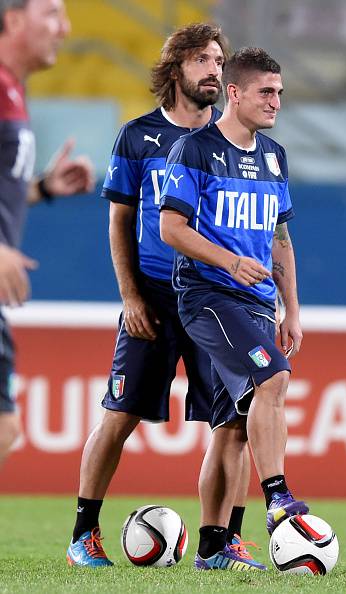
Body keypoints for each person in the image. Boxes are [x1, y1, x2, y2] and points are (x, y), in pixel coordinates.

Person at [66, 24, 264, 570]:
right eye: (202, 59)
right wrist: (130, 295)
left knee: (235, 424)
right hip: (153, 295)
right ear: (175, 67)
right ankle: (83, 536)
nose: (215, 70)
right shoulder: (137, 137)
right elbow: (120, 220)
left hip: (213, 295)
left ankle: (221, 544)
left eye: (220, 60)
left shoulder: (232, 142)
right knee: (120, 414)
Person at [160, 47, 309, 569]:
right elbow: (171, 229)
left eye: (280, 93)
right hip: (209, 297)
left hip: (258, 303)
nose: (276, 102)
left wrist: (291, 309)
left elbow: (280, 239)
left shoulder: (274, 156)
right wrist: (228, 262)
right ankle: (278, 500)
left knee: (232, 426)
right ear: (236, 92)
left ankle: (213, 547)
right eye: (267, 92)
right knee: (273, 379)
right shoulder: (195, 151)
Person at [0, 0, 94, 466]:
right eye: (52, 13)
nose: (66, 27)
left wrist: (41, 188)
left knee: (4, 426)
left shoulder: (12, 90)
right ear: (13, 20)